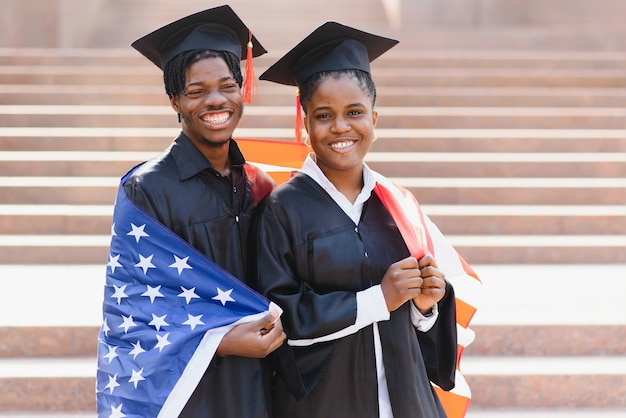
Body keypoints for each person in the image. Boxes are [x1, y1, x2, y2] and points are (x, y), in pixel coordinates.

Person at [249, 22, 459, 417]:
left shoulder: (397, 204)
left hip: (406, 402)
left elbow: (422, 332)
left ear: (375, 121)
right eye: (324, 114)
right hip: (323, 404)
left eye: (355, 112)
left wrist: (426, 305)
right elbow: (278, 318)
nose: (341, 127)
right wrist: (377, 299)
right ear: (305, 121)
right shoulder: (282, 209)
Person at [99, 6, 285, 418]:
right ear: (175, 101)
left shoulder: (261, 186)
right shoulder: (146, 190)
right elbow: (132, 307)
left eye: (227, 85)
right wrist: (219, 340)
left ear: (242, 89)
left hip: (260, 385)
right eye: (197, 90)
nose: (216, 100)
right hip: (188, 389)